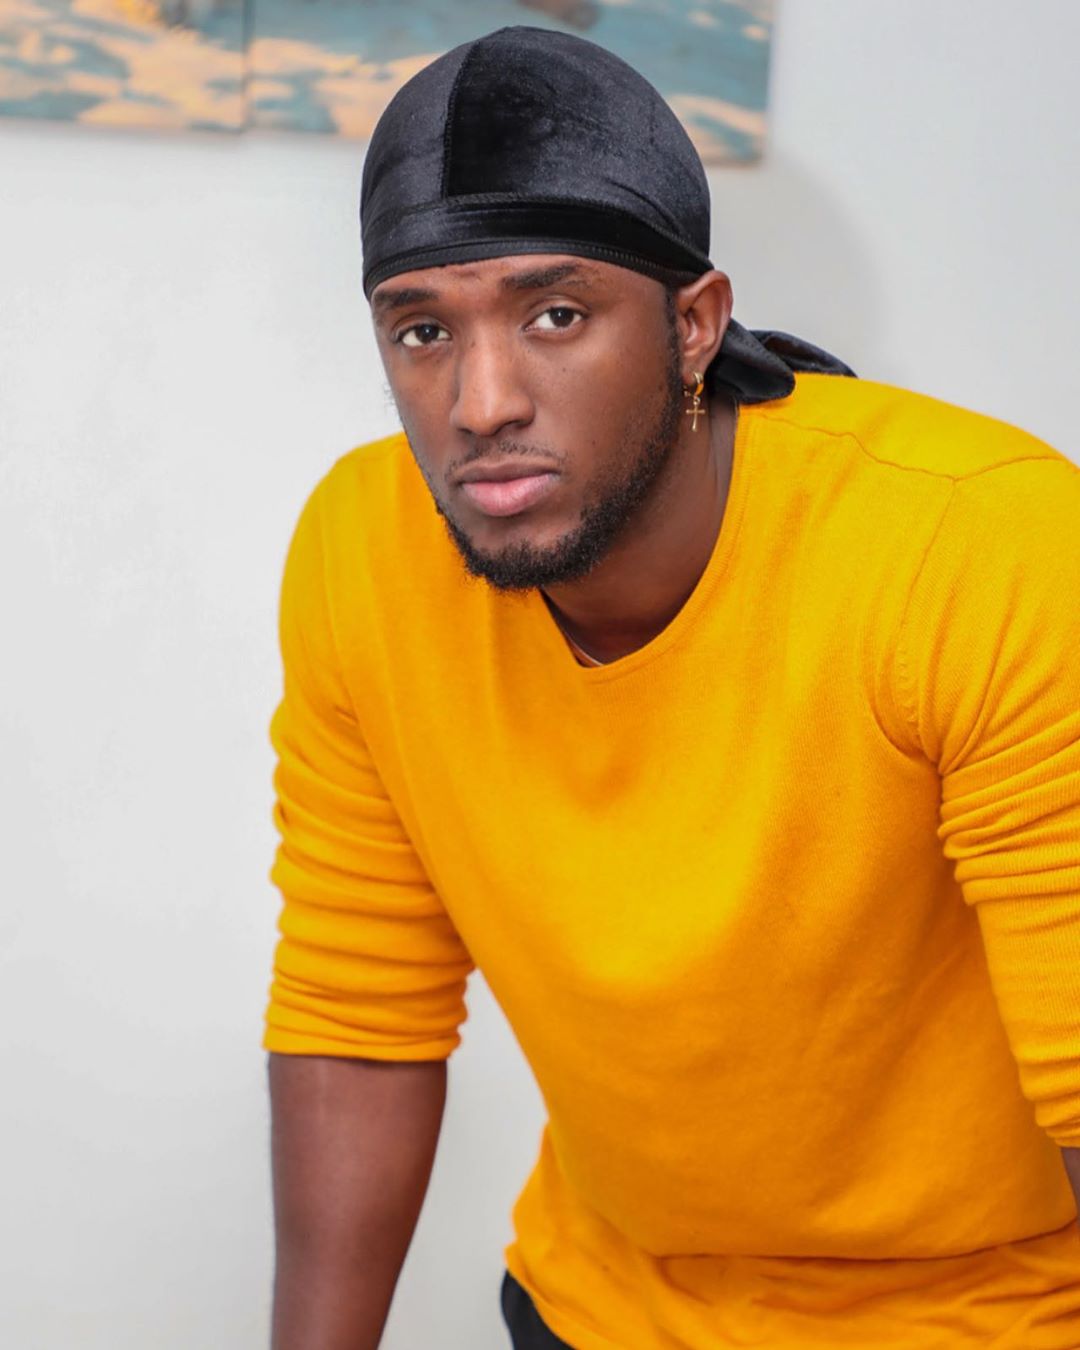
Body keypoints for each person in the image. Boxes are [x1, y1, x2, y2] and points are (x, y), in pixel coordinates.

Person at [263, 25, 1080, 1350]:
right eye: (422, 329)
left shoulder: (978, 549)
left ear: (693, 324)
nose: (481, 402)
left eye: (556, 314)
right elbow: (354, 1015)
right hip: (605, 1303)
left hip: (984, 1314)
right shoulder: (363, 550)